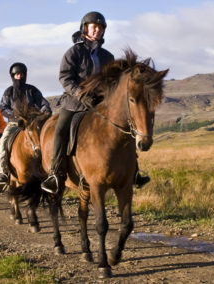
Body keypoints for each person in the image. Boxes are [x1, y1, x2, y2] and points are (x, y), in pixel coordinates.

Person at [41, 11, 150, 194]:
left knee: (125, 129)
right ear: (85, 29)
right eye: (94, 27)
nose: (97, 30)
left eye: (100, 28)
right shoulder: (74, 52)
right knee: (60, 130)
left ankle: (135, 171)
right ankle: (56, 174)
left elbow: (114, 81)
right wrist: (80, 93)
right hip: (75, 103)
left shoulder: (107, 56)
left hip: (101, 104)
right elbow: (65, 77)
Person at [0, 62, 52, 184]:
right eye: (17, 74)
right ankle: (3, 172)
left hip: (32, 123)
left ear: (25, 75)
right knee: (3, 142)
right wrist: (16, 116)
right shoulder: (8, 91)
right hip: (14, 124)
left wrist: (46, 111)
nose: (19, 76)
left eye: (21, 74)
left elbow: (43, 102)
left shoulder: (32, 90)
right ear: (13, 76)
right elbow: (3, 108)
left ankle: (52, 172)